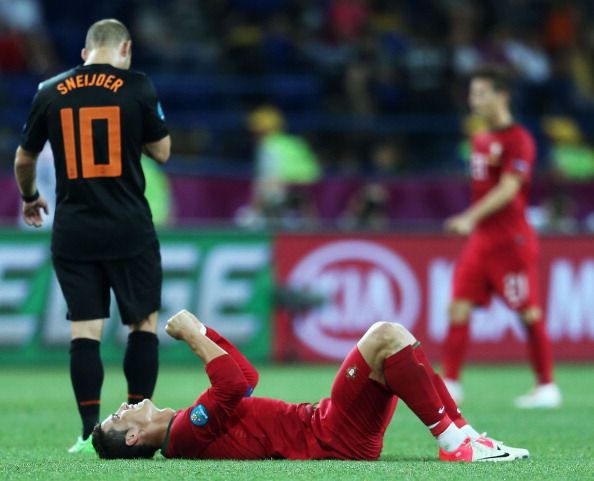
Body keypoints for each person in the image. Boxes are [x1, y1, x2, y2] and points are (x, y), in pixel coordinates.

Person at [14, 19, 171, 453]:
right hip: (128, 227)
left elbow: (24, 159)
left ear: (85, 53)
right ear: (125, 49)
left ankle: (88, 433)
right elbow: (162, 151)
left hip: (74, 229)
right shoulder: (137, 86)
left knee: (85, 331)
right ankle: (137, 424)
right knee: (142, 324)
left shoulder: (50, 89)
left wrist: (30, 197)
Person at [92, 309, 529, 462]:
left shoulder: (188, 427)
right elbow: (228, 384)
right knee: (384, 336)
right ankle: (455, 443)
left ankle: (465, 436)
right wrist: (192, 336)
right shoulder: (183, 435)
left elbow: (245, 380)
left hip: (332, 429)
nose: (124, 408)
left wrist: (204, 329)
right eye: (118, 417)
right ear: (132, 437)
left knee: (397, 349)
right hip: (332, 435)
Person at [442, 66, 560, 408]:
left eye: (480, 93)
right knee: (458, 308)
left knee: (528, 314)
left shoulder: (518, 139)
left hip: (512, 242)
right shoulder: (479, 139)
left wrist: (468, 217)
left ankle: (547, 386)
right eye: (472, 93)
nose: (472, 100)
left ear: (501, 96)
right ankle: (451, 384)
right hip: (481, 242)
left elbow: (510, 189)